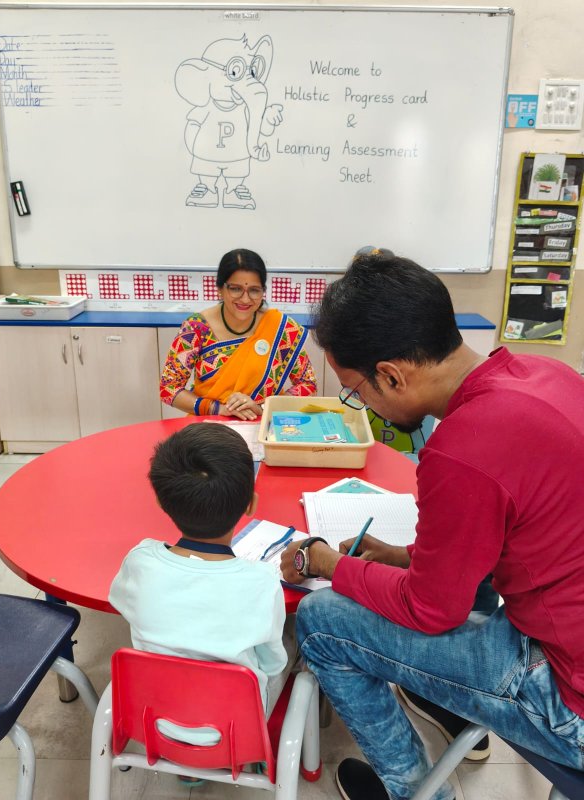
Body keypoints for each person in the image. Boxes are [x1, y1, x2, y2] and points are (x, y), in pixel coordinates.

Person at [280, 250, 584, 800]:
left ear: (391, 375)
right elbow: (519, 523)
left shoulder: (463, 447)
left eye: (355, 391)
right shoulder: (548, 374)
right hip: (567, 631)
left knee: (322, 622)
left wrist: (329, 563)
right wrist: (404, 556)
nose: (361, 403)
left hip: (567, 695)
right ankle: (443, 707)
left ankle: (417, 791)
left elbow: (430, 609)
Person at [110, 423, 295, 726]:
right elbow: (273, 664)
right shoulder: (262, 581)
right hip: (237, 727)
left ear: (160, 501)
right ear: (251, 504)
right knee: (291, 638)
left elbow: (120, 602)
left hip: (154, 718)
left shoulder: (140, 561)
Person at [160, 248, 317, 420]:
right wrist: (217, 408)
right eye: (235, 289)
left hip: (262, 424)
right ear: (220, 288)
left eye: (254, 290)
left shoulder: (282, 328)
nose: (245, 299)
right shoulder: (196, 328)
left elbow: (308, 385)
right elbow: (169, 388)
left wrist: (262, 408)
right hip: (209, 427)